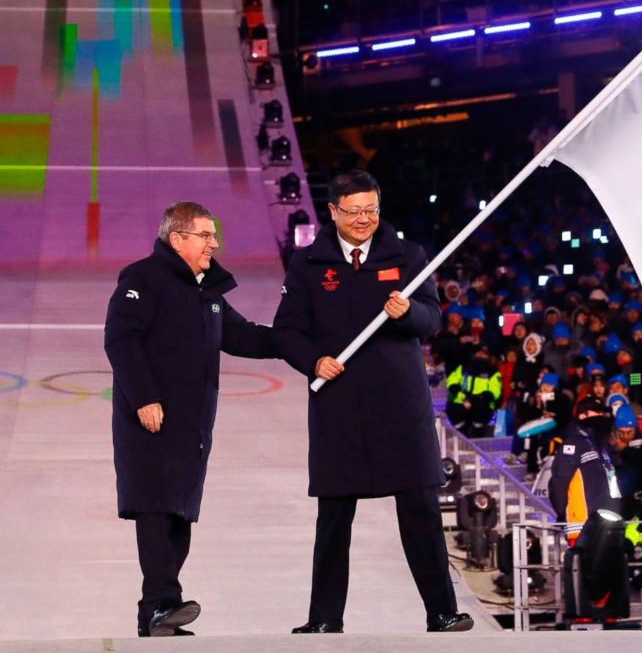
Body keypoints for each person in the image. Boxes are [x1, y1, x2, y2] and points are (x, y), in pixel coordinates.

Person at [274, 170, 472, 633]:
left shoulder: (408, 256)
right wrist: (314, 361)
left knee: (420, 510)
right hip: (339, 406)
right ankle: (324, 619)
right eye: (354, 211)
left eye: (371, 209)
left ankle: (442, 612)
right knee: (334, 517)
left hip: (400, 405)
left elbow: (432, 320)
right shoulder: (308, 263)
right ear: (333, 211)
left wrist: (409, 313)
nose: (364, 219)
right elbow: (287, 330)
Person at [104, 202, 279, 637]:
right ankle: (164, 601)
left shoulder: (208, 292)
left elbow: (242, 336)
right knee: (156, 508)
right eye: (205, 235)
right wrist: (144, 397)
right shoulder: (142, 278)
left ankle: (156, 614)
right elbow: (121, 339)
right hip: (151, 419)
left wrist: (299, 340)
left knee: (180, 512)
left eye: (214, 236)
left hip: (192, 424)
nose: (214, 244)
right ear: (176, 238)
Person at [549, 398, 622, 544]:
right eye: (598, 412)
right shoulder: (573, 445)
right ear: (583, 416)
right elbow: (558, 483)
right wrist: (565, 513)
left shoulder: (601, 446)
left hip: (608, 522)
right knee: (585, 565)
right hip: (582, 525)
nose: (602, 416)